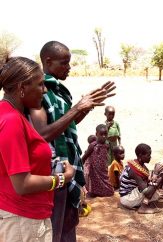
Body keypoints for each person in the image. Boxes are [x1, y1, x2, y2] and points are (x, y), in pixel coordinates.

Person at [29, 41, 116, 242]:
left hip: (68, 165)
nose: (69, 68)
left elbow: (68, 124)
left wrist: (86, 106)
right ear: (48, 62)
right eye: (64, 63)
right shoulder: (40, 91)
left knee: (69, 221)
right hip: (54, 169)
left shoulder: (59, 91)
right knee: (56, 228)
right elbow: (42, 134)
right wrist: (77, 107)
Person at [0, 57, 74, 241]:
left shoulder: (11, 114)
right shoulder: (11, 121)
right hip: (22, 221)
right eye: (40, 84)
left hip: (23, 217)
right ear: (22, 88)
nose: (45, 90)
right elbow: (22, 184)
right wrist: (62, 179)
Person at [119, 143, 163, 214]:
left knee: (152, 188)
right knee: (150, 190)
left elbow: (147, 181)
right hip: (127, 198)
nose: (150, 157)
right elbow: (147, 192)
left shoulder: (139, 165)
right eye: (148, 155)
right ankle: (143, 208)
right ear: (140, 155)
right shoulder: (134, 170)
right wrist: (156, 174)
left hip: (130, 194)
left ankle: (143, 203)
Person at [81, 124, 114, 197]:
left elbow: (106, 157)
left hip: (103, 170)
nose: (104, 136)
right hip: (94, 170)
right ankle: (94, 192)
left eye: (105, 134)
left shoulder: (107, 145)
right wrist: (81, 167)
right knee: (94, 183)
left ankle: (101, 192)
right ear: (96, 134)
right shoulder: (92, 146)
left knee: (110, 191)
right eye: (101, 134)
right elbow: (84, 157)